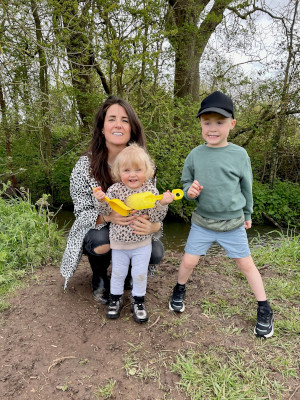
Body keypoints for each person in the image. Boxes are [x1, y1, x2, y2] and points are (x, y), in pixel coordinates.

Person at [169, 91, 274, 338]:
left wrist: (248, 213)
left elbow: (246, 187)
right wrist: (189, 191)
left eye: (220, 122)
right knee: (188, 261)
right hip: (202, 222)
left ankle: (264, 307)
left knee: (246, 264)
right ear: (201, 124)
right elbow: (185, 183)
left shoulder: (239, 155)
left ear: (232, 124)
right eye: (207, 122)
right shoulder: (195, 154)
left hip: (233, 223)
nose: (212, 128)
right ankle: (179, 289)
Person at [60, 96, 165, 305]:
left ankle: (127, 274)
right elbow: (81, 211)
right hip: (100, 228)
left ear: (132, 129)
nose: (118, 124)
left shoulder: (145, 164)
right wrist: (108, 216)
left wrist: (154, 225)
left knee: (156, 251)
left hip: (135, 228)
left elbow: (154, 203)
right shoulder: (84, 165)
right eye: (112, 119)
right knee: (100, 242)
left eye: (125, 120)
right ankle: (99, 276)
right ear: (102, 128)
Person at [93, 143, 175, 322]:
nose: (132, 174)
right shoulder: (114, 190)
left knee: (139, 273)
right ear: (118, 172)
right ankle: (115, 299)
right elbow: (106, 211)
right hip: (119, 243)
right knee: (118, 273)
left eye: (138, 170)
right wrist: (101, 200)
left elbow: (156, 217)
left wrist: (162, 203)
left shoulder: (150, 191)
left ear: (147, 171)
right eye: (127, 170)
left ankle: (138, 301)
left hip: (142, 243)